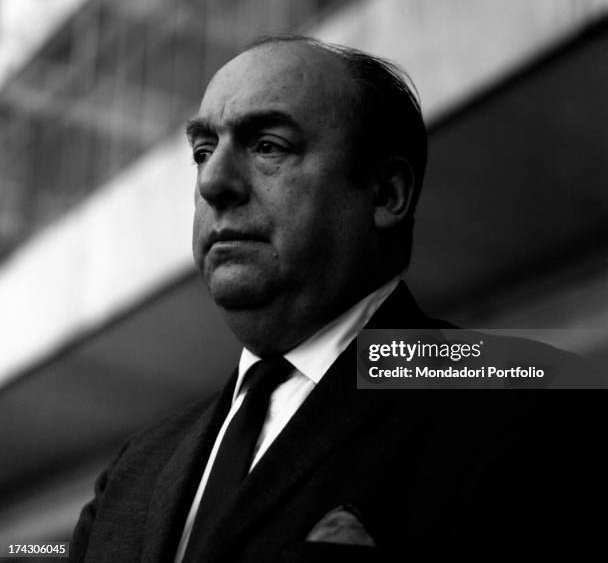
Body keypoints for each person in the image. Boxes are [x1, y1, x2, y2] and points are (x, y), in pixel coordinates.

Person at [70, 36, 603, 562]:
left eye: (267, 146)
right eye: (203, 151)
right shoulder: (137, 467)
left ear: (386, 193)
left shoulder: (533, 394)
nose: (213, 181)